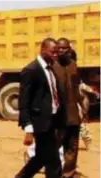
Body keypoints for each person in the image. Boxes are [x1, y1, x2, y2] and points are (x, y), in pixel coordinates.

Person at [15, 38, 65, 178]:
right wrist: (28, 128)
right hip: (40, 122)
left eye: (57, 53)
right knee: (44, 156)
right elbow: (24, 101)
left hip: (52, 120)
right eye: (53, 52)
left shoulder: (51, 68)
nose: (56, 55)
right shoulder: (31, 70)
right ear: (43, 50)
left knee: (52, 156)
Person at [53, 38, 85, 178]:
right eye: (58, 49)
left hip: (73, 115)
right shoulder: (52, 66)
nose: (61, 51)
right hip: (58, 115)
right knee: (54, 146)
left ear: (69, 50)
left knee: (72, 146)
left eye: (64, 48)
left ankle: (69, 173)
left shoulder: (73, 65)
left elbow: (77, 88)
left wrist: (83, 107)